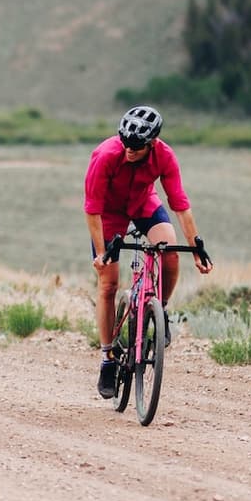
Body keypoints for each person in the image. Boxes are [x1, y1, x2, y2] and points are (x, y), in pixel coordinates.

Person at [84, 106, 211, 398]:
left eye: (137, 146)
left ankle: (160, 309)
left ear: (152, 143)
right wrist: (102, 254)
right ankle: (107, 358)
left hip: (143, 204)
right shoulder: (106, 156)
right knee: (108, 284)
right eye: (126, 143)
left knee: (169, 251)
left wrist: (196, 248)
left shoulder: (164, 155)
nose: (129, 150)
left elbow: (180, 204)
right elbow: (92, 210)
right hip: (109, 214)